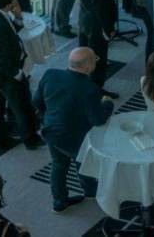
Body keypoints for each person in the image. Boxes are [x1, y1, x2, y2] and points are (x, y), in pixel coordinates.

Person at [33, 47, 115, 213]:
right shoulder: (90, 88)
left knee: (58, 165)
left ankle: (59, 202)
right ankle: (91, 192)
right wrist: (107, 104)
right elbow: (97, 120)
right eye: (95, 59)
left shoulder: (50, 74)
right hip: (75, 139)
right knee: (84, 164)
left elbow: (36, 102)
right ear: (88, 66)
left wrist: (49, 119)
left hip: (50, 132)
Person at [0, 0, 43, 150]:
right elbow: (1, 59)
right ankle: (30, 139)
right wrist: (17, 74)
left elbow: (11, 31)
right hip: (6, 74)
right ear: (8, 4)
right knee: (22, 106)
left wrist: (19, 16)